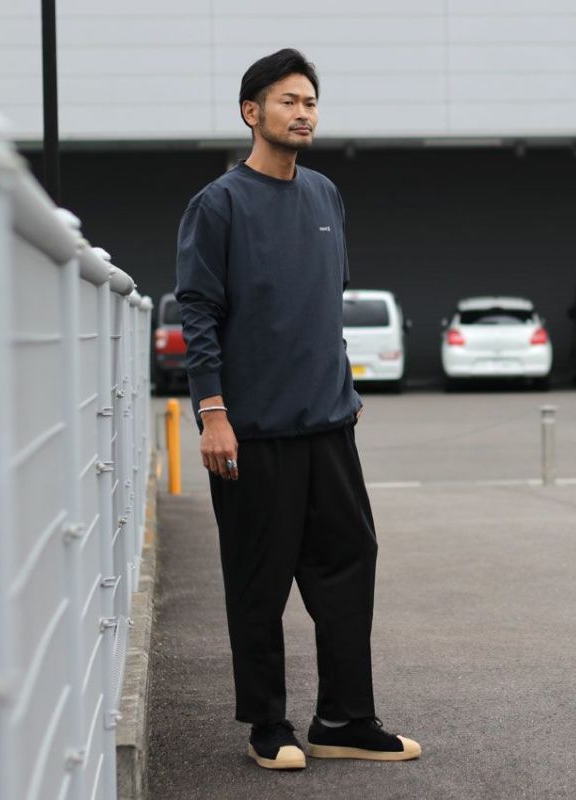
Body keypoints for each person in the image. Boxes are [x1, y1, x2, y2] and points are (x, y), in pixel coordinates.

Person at [175, 48, 421, 771]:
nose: (304, 112)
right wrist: (212, 413)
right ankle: (268, 724)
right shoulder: (218, 204)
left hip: (328, 426)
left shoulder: (325, 195)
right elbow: (199, 314)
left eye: (311, 101)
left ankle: (344, 719)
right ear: (251, 112)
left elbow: (323, 305)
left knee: (349, 563)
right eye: (289, 101)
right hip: (252, 434)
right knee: (260, 580)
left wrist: (343, 387)